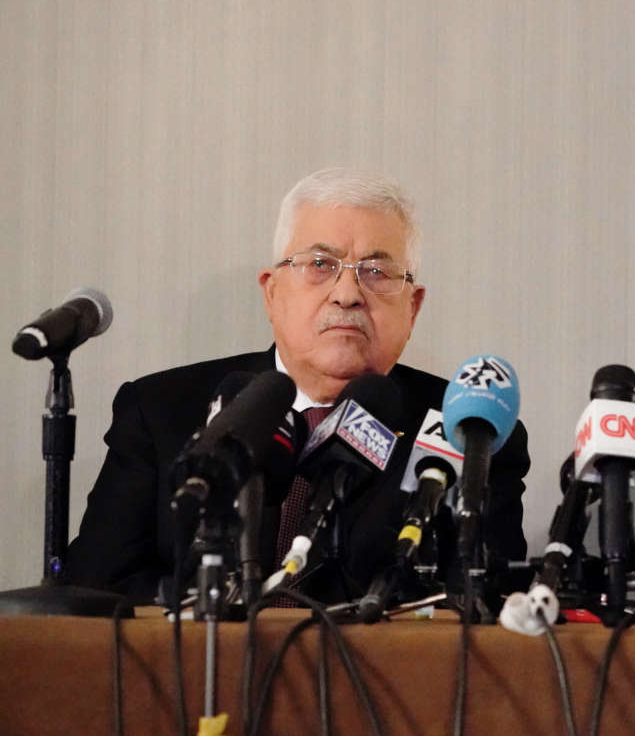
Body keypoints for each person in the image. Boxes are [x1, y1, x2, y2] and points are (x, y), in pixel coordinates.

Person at [66, 168, 529, 604]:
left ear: (413, 307)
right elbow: (97, 586)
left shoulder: (472, 433)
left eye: (376, 272)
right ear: (272, 292)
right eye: (321, 264)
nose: (347, 294)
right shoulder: (161, 411)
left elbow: (481, 608)